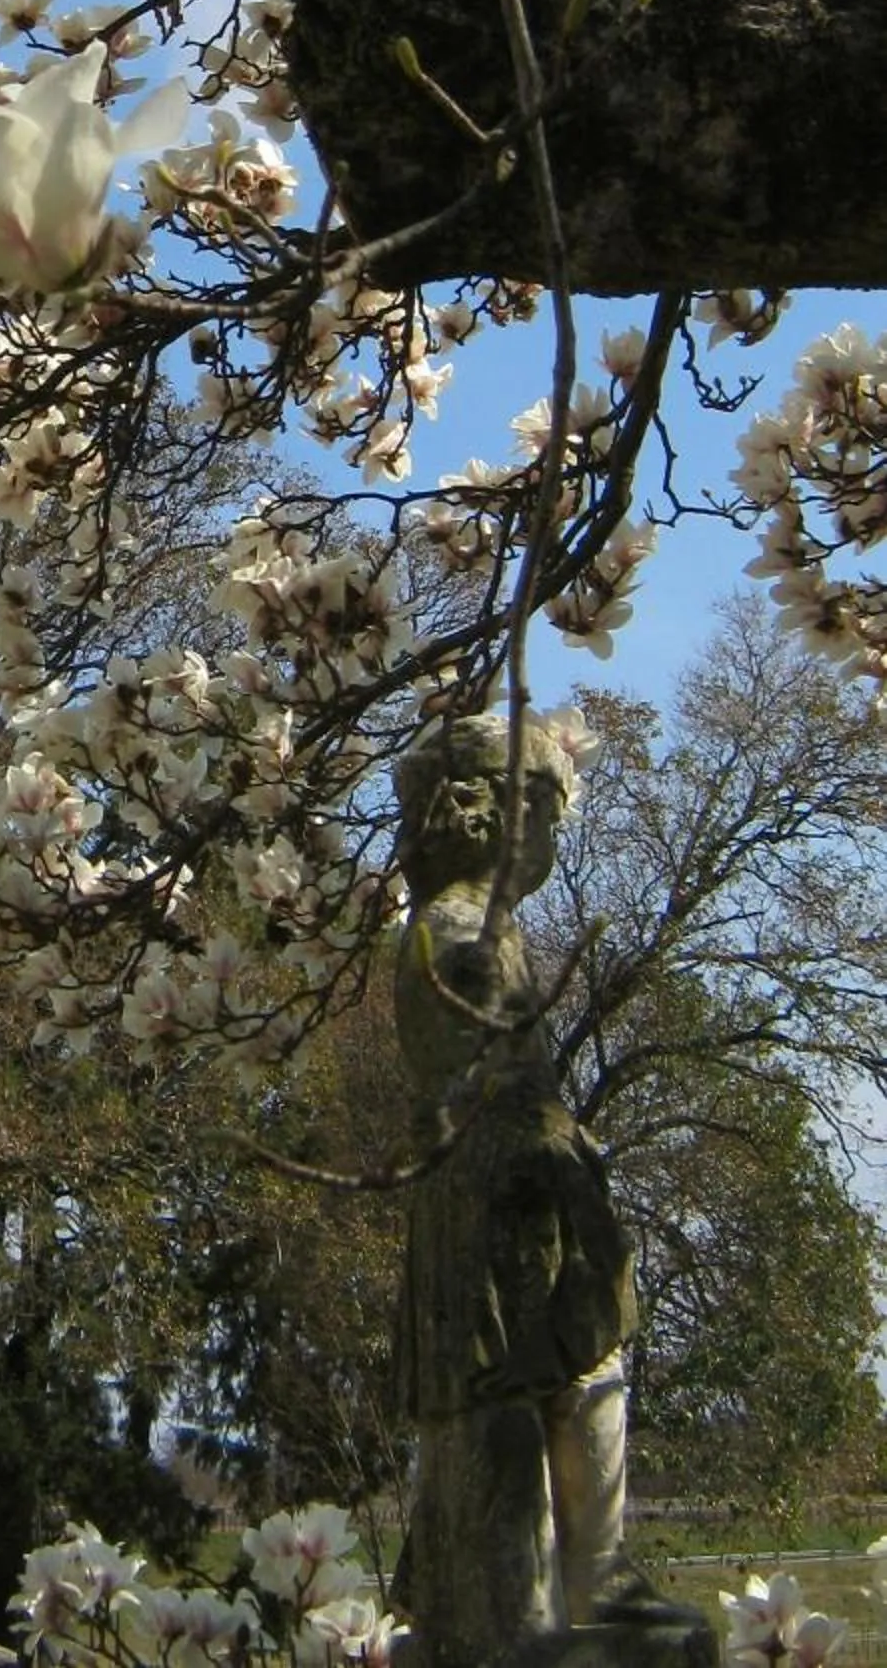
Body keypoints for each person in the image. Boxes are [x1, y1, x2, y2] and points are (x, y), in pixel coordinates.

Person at [391, 713, 700, 1668]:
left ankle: (595, 1571)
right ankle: (517, 1597)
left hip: (526, 1190)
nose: (556, 838)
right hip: (496, 1201)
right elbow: (488, 1079)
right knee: (516, 1398)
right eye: (547, 814)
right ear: (493, 817)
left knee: (584, 1369)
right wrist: (564, 1163)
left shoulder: (491, 931)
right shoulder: (455, 935)